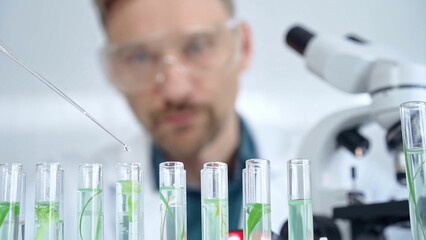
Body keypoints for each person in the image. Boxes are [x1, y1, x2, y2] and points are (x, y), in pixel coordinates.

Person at [93, 0, 290, 239]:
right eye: (140, 57)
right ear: (114, 71)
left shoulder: (332, 175)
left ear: (244, 47)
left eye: (197, 47)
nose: (175, 91)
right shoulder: (65, 197)